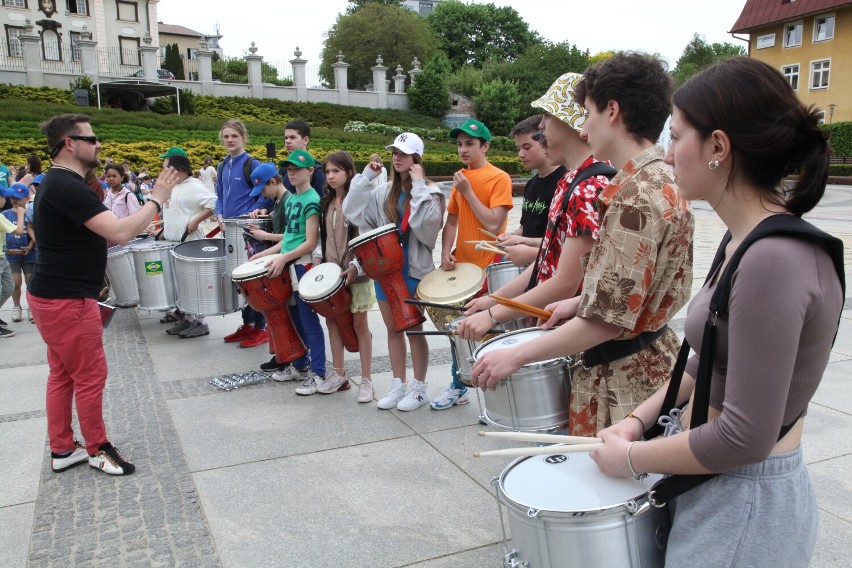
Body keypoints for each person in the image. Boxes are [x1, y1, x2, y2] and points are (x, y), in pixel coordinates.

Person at [590, 57, 844, 568]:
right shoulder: (743, 240)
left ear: (718, 148)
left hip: (744, 504)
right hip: (717, 483)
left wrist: (632, 459)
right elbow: (709, 362)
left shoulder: (774, 259)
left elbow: (744, 435)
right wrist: (637, 422)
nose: (666, 151)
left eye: (677, 135)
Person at [471, 53, 694, 438]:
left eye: (588, 111)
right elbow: (639, 289)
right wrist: (578, 301)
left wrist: (515, 354)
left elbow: (605, 323)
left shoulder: (634, 196)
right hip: (649, 363)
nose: (585, 125)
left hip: (624, 382)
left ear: (612, 111)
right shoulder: (659, 179)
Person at [29, 113, 179, 476]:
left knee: (62, 374)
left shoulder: (59, 183)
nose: (98, 145)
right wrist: (157, 199)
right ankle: (97, 448)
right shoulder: (66, 186)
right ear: (69, 143)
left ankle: (63, 448)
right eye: (91, 138)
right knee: (89, 375)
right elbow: (121, 232)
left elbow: (110, 233)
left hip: (52, 294)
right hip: (67, 299)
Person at [458, 72, 614, 382]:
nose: (541, 126)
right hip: (560, 325)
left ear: (570, 121)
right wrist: (493, 298)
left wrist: (493, 315)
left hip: (578, 337)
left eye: (547, 116)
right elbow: (546, 262)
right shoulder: (570, 180)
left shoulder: (588, 187)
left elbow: (564, 283)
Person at [343, 133, 446, 411]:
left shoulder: (432, 192)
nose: (397, 157)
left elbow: (428, 228)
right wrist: (365, 178)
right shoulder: (381, 192)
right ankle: (398, 383)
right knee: (392, 329)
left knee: (413, 328)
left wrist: (420, 184)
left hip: (414, 270)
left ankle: (419, 386)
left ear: (416, 159)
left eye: (404, 153)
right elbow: (351, 212)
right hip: (385, 270)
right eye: (394, 152)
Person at [431, 118, 513, 410]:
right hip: (462, 268)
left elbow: (494, 221)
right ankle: (459, 385)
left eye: (469, 144)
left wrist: (466, 191)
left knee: (489, 332)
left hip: (491, 266)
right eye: (459, 144)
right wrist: (446, 251)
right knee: (458, 331)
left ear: (485, 146)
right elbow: (451, 219)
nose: (463, 149)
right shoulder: (461, 178)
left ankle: (495, 397)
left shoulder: (498, 178)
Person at [249, 152, 327, 394]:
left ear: (310, 171)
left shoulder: (312, 200)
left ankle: (320, 372)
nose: (292, 173)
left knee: (308, 320)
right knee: (294, 318)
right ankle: (301, 365)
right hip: (289, 265)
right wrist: (266, 254)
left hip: (302, 266)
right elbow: (289, 239)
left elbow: (310, 242)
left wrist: (281, 256)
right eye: (289, 169)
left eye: (297, 169)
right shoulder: (293, 200)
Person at [311, 151, 376, 400]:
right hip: (331, 275)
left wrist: (357, 267)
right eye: (327, 172)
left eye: (336, 171)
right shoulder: (325, 203)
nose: (331, 176)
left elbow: (366, 238)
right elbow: (321, 238)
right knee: (333, 322)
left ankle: (367, 380)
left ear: (350, 173)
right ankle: (338, 374)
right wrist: (318, 260)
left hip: (356, 273)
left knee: (360, 325)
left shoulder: (358, 202)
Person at [215, 119, 273, 348]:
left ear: (243, 138)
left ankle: (260, 328)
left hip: (248, 231)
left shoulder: (251, 163)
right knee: (237, 278)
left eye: (234, 136)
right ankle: (247, 324)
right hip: (228, 229)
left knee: (252, 278)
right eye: (226, 136)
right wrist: (219, 215)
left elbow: (263, 196)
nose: (230, 140)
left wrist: (249, 216)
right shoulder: (221, 166)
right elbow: (219, 196)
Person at [158, 154, 217, 339]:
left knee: (193, 284)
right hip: (173, 241)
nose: (166, 173)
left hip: (190, 242)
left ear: (182, 170)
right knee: (179, 284)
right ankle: (188, 318)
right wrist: (163, 229)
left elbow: (214, 203)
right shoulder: (174, 187)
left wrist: (196, 220)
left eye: (170, 170)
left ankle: (201, 322)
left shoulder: (194, 186)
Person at [496, 115, 565, 266]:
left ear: (544, 140)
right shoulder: (531, 184)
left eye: (527, 147)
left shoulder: (566, 182)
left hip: (552, 268)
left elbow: (563, 243)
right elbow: (525, 227)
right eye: (518, 148)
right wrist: (511, 237)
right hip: (529, 269)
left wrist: (522, 241)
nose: (521, 154)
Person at [2, 183, 36, 325]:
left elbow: (32, 230)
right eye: (12, 198)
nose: (15, 201)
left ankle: (31, 308)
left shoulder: (29, 212)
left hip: (28, 253)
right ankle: (17, 306)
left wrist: (30, 245)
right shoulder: (5, 214)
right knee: (15, 282)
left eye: (18, 198)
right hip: (11, 254)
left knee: (30, 281)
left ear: (26, 198)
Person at [0, 186, 25, 338]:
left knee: (9, 286)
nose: (7, 201)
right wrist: (21, 214)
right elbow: (18, 231)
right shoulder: (1, 217)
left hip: (3, 258)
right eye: (5, 197)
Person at [281, 119, 326, 197]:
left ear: (305, 140)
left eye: (292, 137)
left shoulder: (317, 171)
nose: (287, 141)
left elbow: (320, 203)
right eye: (286, 138)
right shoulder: (284, 168)